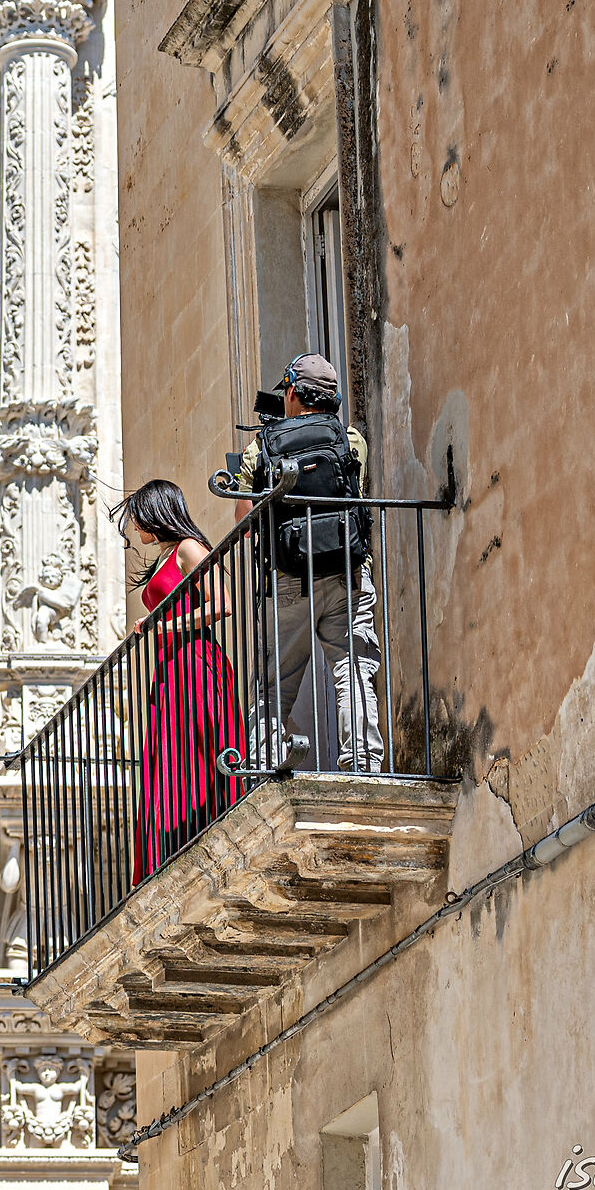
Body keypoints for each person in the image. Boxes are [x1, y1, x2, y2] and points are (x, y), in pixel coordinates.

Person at [232, 353, 385, 771]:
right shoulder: (350, 439)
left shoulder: (259, 447)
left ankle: (265, 762)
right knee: (352, 667)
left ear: (294, 392)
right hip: (349, 574)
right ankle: (362, 762)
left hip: (289, 578)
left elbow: (244, 522)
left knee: (274, 684)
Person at [112, 480, 243, 880]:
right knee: (167, 759)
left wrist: (166, 623)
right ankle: (172, 849)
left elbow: (223, 602)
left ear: (156, 511)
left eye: (137, 519)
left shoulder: (188, 548)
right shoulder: (166, 556)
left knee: (199, 748)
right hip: (171, 670)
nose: (135, 529)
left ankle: (210, 830)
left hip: (196, 662)